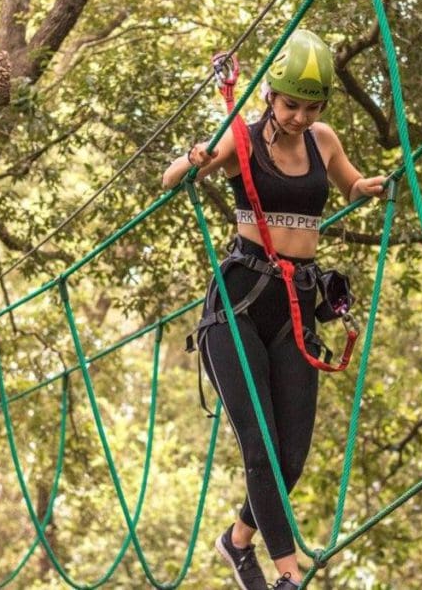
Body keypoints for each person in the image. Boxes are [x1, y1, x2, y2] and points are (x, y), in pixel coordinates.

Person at [163, 29, 386, 589]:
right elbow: (170, 178)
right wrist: (190, 160)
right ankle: (288, 577)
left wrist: (370, 187)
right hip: (239, 303)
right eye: (292, 105)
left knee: (291, 459)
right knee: (260, 448)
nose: (300, 117)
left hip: (297, 305)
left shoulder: (323, 140)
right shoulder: (241, 141)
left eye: (312, 107)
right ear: (269, 95)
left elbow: (351, 182)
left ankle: (237, 542)